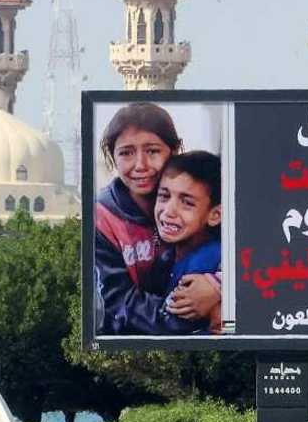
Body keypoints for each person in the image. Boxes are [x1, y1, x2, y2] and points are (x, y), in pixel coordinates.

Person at [94, 103, 220, 335]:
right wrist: (189, 315)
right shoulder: (102, 218)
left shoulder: (197, 201)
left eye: (152, 151)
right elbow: (119, 301)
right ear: (112, 156)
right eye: (126, 153)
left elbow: (247, 257)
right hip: (129, 348)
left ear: (174, 151)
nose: (140, 165)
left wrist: (218, 289)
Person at [154, 151, 223, 334]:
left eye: (187, 203)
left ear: (215, 215)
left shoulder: (205, 260)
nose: (169, 211)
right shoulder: (168, 254)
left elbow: (173, 326)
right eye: (164, 196)